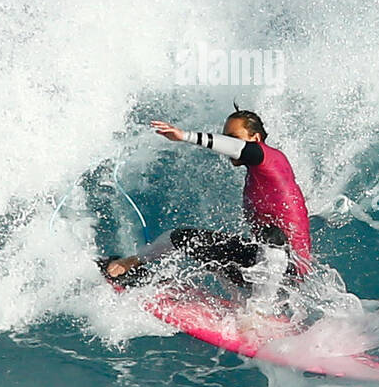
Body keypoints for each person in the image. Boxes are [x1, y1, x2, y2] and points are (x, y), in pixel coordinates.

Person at [102, 106, 311, 299]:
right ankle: (134, 261)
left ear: (255, 138)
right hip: (260, 269)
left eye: (233, 137)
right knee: (182, 238)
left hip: (289, 272)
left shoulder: (271, 158)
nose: (227, 144)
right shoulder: (255, 178)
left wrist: (184, 136)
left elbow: (243, 149)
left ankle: (261, 313)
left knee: (271, 235)